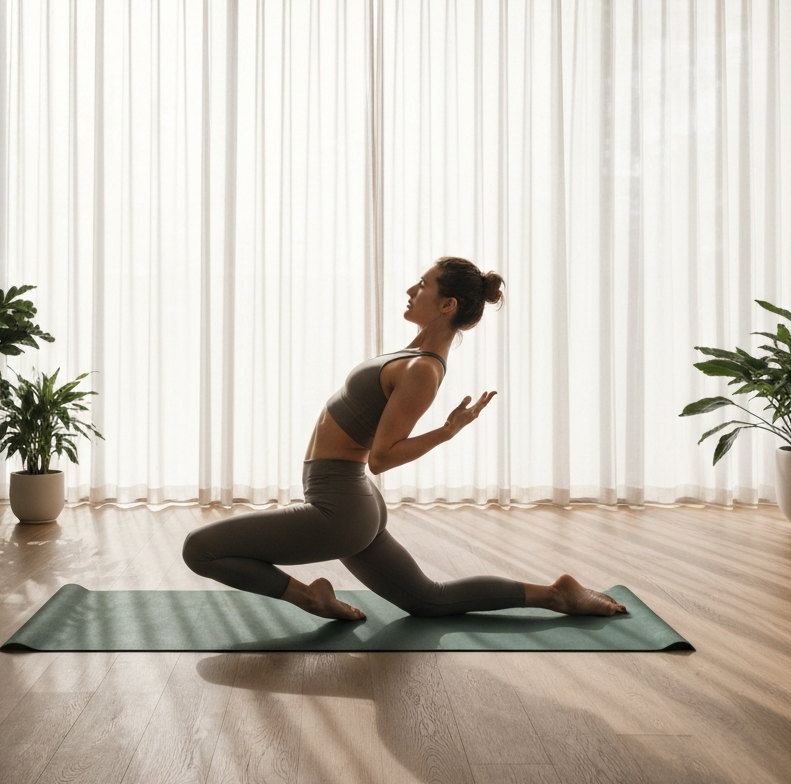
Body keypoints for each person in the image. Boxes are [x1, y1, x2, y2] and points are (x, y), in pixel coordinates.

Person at [183, 256, 627, 621]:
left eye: (423, 285)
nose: (411, 291)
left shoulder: (423, 370)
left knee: (200, 550)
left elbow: (381, 458)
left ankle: (307, 598)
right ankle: (556, 594)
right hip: (352, 499)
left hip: (340, 505)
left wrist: (445, 432)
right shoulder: (412, 355)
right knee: (427, 599)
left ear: (446, 305)